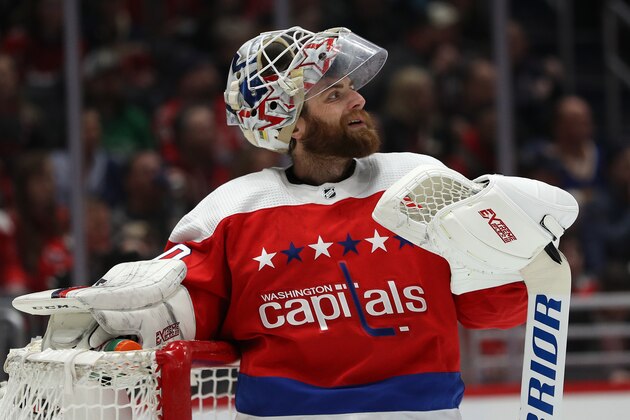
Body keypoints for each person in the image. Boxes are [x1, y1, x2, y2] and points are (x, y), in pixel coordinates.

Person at [22, 27, 577, 419]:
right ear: (291, 124)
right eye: (334, 95)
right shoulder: (230, 212)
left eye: (350, 87)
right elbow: (181, 312)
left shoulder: (418, 181)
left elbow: (486, 309)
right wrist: (133, 323)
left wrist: (520, 259)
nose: (358, 98)